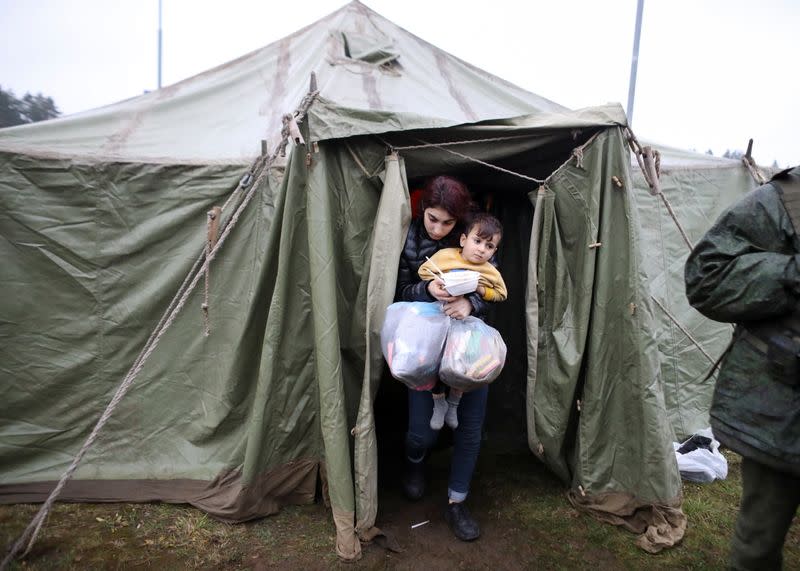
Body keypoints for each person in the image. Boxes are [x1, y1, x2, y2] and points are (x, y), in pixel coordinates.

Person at [684, 165, 800, 570]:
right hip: (783, 415)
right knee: (757, 550)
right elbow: (707, 278)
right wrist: (791, 271)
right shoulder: (790, 200)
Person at [394, 174, 489, 542]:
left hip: (469, 348)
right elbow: (399, 289)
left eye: (447, 223)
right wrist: (425, 289)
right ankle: (415, 465)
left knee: (470, 429)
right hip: (424, 345)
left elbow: (494, 284)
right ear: (422, 211)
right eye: (432, 219)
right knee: (421, 430)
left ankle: (456, 502)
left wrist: (471, 302)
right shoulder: (407, 235)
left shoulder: (475, 236)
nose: (438, 228)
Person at [418, 212, 507, 431]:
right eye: (477, 241)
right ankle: (438, 400)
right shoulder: (446, 256)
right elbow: (423, 271)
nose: (481, 249)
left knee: (463, 365)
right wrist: (435, 283)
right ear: (463, 240)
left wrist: (479, 289)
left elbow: (501, 294)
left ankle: (454, 403)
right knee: (436, 363)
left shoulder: (489, 271)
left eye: (489, 246)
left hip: (468, 328)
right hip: (440, 320)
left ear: (494, 251)